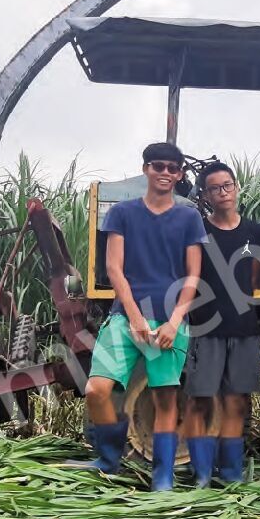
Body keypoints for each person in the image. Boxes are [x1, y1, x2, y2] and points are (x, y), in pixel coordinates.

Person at [70, 142, 206, 491]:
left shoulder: (189, 217)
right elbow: (115, 269)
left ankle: (163, 477)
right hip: (125, 318)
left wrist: (175, 322)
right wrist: (134, 317)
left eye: (172, 168)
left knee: (164, 398)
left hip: (169, 321)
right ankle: (108, 459)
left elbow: (193, 276)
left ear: (179, 175)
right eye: (157, 165)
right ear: (146, 169)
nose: (164, 172)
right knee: (96, 389)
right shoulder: (123, 213)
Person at [183, 161, 260, 487]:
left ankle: (231, 475)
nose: (223, 193)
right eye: (215, 188)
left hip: (244, 330)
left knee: (236, 402)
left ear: (236, 187)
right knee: (200, 401)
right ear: (205, 195)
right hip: (205, 330)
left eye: (228, 185)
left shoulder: (253, 232)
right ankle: (202, 475)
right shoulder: (197, 232)